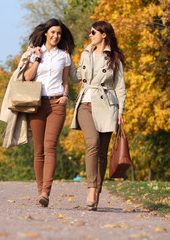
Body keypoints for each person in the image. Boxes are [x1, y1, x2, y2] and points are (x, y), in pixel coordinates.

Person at [70, 21, 126, 210]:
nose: (89, 35)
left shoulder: (115, 58)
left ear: (104, 34)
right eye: (89, 31)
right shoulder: (85, 54)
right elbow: (76, 76)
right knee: (92, 143)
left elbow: (120, 87)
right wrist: (66, 58)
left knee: (102, 153)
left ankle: (97, 194)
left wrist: (120, 112)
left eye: (93, 32)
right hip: (85, 104)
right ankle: (91, 189)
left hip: (107, 106)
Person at [24, 18, 75, 207]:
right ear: (46, 33)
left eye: (59, 33)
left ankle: (46, 191)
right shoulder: (35, 53)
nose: (55, 36)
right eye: (52, 32)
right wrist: (37, 58)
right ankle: (40, 194)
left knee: (50, 147)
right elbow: (28, 77)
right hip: (37, 104)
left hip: (57, 104)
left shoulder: (64, 56)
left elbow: (66, 80)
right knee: (39, 150)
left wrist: (66, 95)